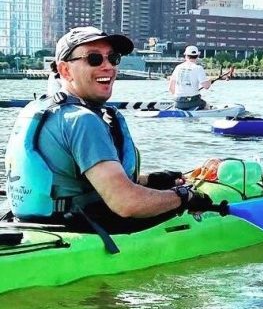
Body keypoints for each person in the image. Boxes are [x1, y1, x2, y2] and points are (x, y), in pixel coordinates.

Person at [3, 26, 213, 233]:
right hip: (79, 227)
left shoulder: (37, 109)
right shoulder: (83, 120)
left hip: (35, 221)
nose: (108, 67)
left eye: (113, 58)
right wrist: (184, 196)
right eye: (94, 59)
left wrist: (155, 179)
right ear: (65, 70)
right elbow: (127, 203)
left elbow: (72, 181)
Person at [168, 45, 213, 110]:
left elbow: (171, 88)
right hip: (193, 102)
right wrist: (209, 81)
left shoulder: (178, 67)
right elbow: (206, 86)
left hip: (178, 102)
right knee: (207, 105)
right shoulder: (198, 68)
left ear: (186, 56)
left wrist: (180, 97)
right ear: (197, 56)